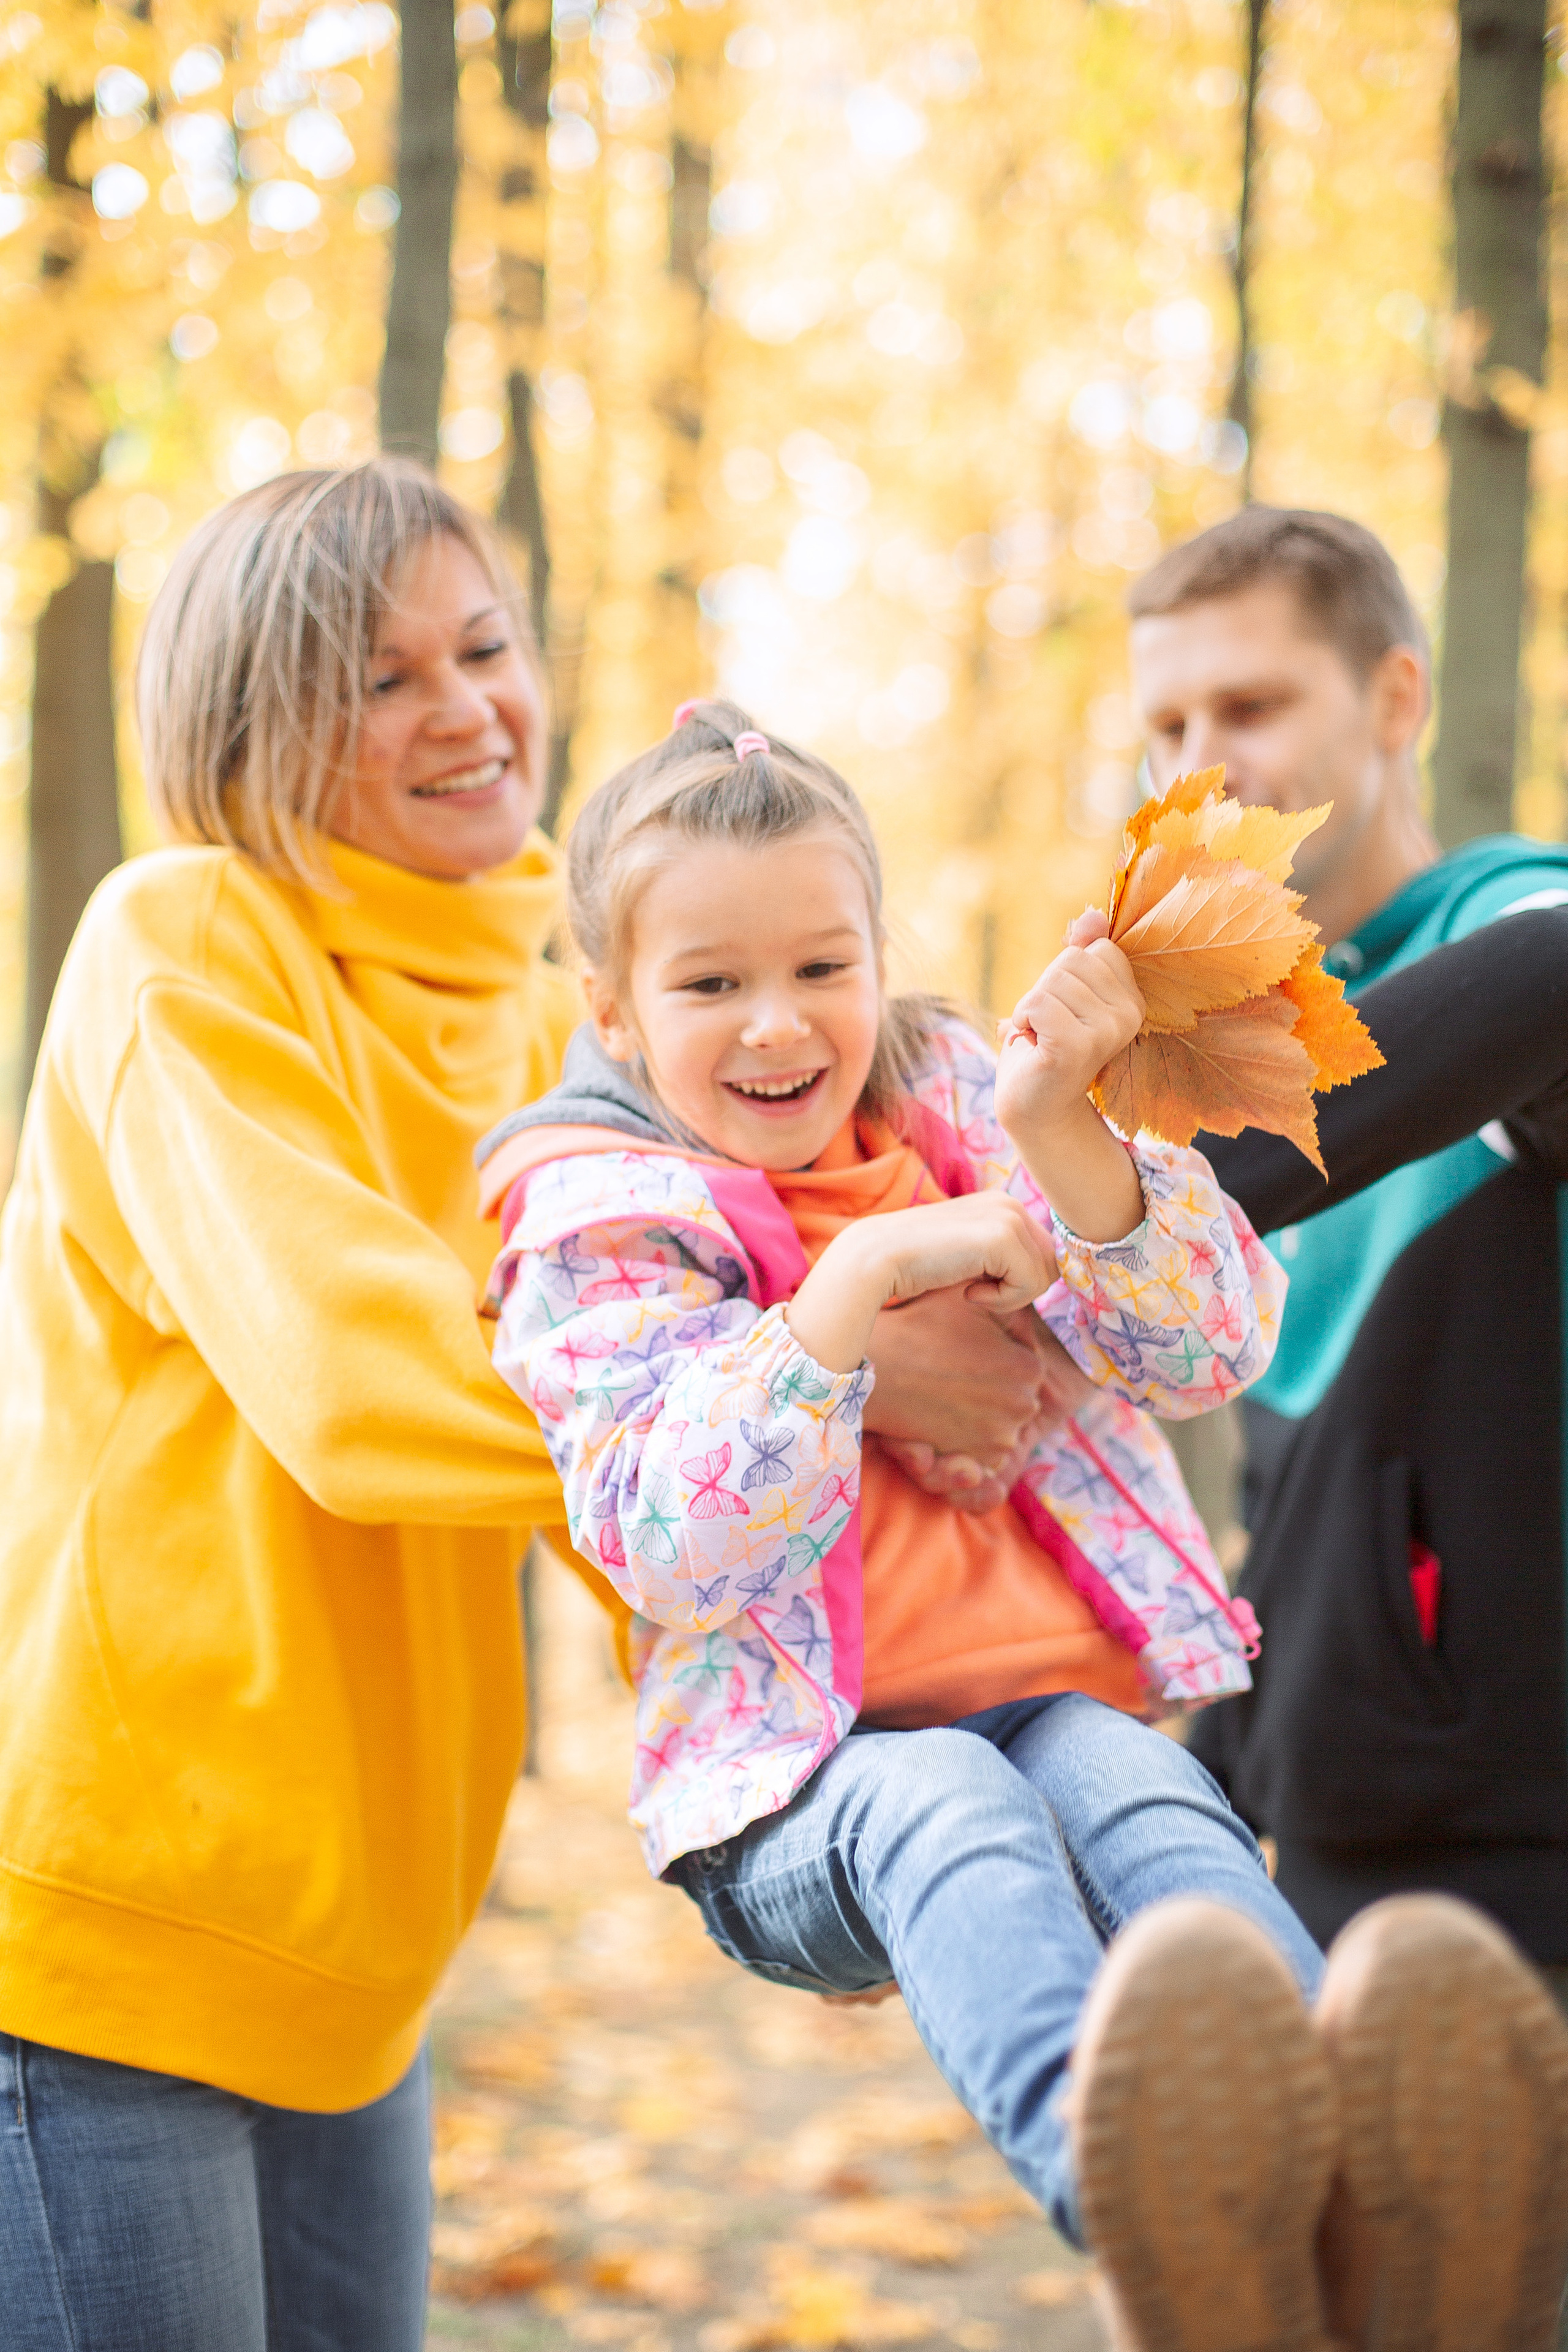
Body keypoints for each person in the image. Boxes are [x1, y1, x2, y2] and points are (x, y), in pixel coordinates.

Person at [477, 698, 1568, 2352]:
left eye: (821, 968)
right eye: (711, 985)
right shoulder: (603, 1224)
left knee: (1158, 1801)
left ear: (878, 956)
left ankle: (1357, 2198)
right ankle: (1152, 2192)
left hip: (1056, 1699)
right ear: (614, 1011)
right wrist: (842, 1300)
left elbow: (1212, 1345)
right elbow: (663, 1543)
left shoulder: (969, 1107)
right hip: (802, 1776)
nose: (778, 1024)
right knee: (955, 1807)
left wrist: (1064, 1127)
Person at [1127, 508, 1568, 1968]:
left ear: (1393, 699)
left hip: (1510, 1813)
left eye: (1249, 705)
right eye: (1167, 721)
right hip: (1337, 1796)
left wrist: (1124, 1184)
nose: (1198, 760)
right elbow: (1306, 1500)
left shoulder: (1498, 927)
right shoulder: (1236, 1040)